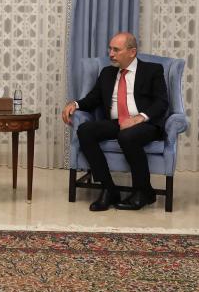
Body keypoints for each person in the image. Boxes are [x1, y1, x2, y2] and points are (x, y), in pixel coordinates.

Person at [62, 32, 169, 211]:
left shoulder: (152, 70)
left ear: (132, 52)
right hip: (117, 122)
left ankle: (143, 191)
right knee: (85, 130)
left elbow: (161, 102)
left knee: (127, 136)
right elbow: (93, 99)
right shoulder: (107, 73)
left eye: (116, 50)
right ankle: (109, 189)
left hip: (145, 124)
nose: (111, 54)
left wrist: (139, 118)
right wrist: (75, 104)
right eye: (110, 49)